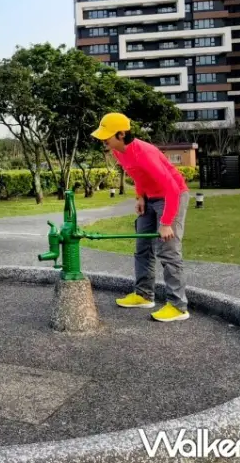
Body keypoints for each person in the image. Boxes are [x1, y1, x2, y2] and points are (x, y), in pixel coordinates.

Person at [90, 112, 191, 322]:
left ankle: (178, 306)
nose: (103, 140)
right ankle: (144, 295)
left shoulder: (144, 152)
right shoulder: (118, 151)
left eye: (107, 136)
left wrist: (166, 223)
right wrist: (140, 197)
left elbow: (172, 189)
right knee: (142, 246)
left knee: (168, 251)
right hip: (150, 197)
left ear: (121, 134)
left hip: (171, 197)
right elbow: (138, 175)